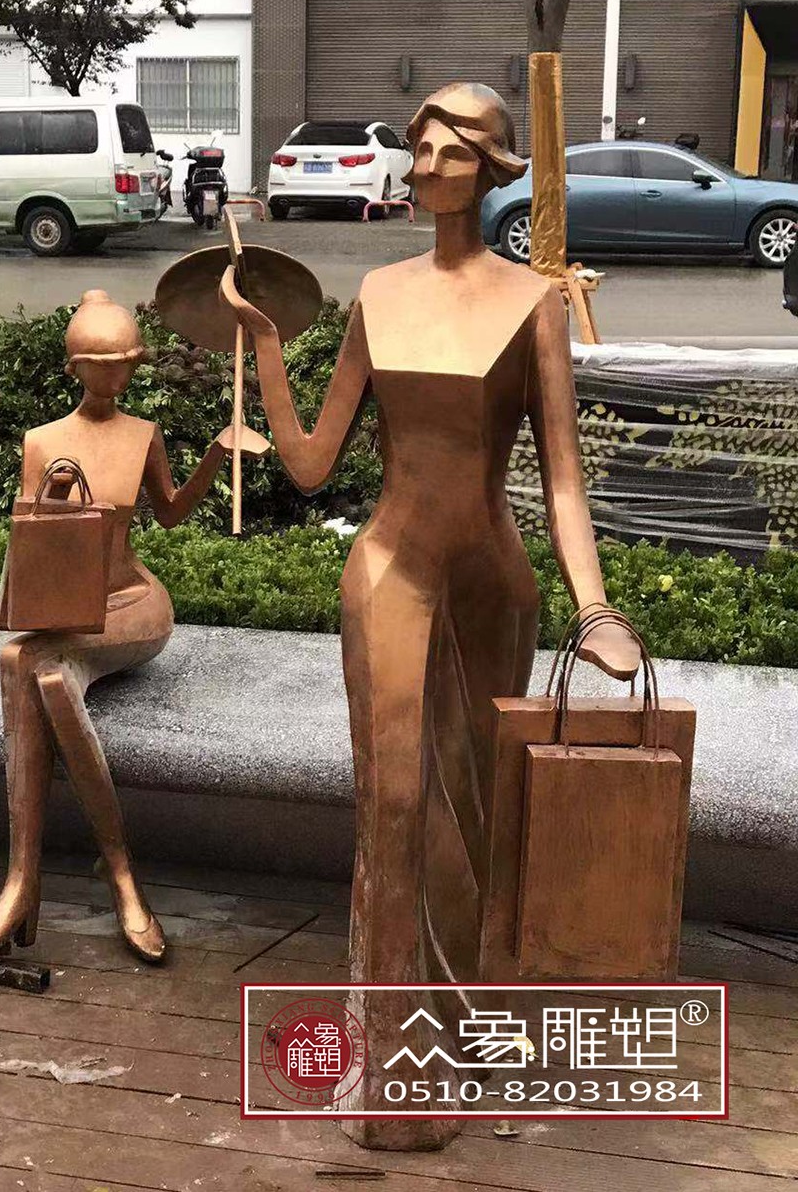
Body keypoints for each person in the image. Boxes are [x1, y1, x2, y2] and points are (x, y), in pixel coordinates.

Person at [220, 82, 640, 1148]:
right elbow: (311, 464)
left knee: (475, 825)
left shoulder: (533, 302)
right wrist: (264, 348)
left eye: (446, 151)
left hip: (491, 586)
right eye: (416, 148)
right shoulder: (379, 292)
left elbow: (562, 481)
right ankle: (387, 1064)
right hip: (389, 573)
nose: (421, 166)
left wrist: (594, 609)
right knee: (395, 806)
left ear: (489, 168)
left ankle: (456, 1049)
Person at [0, 289, 266, 966]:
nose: (114, 376)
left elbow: (170, 512)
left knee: (24, 662)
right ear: (76, 369)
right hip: (71, 611)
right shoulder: (43, 443)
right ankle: (82, 878)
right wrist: (55, 502)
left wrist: (218, 452)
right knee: (39, 671)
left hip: (134, 606)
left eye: (123, 364)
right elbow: (34, 550)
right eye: (101, 365)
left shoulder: (142, 434)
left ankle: (36, 884)